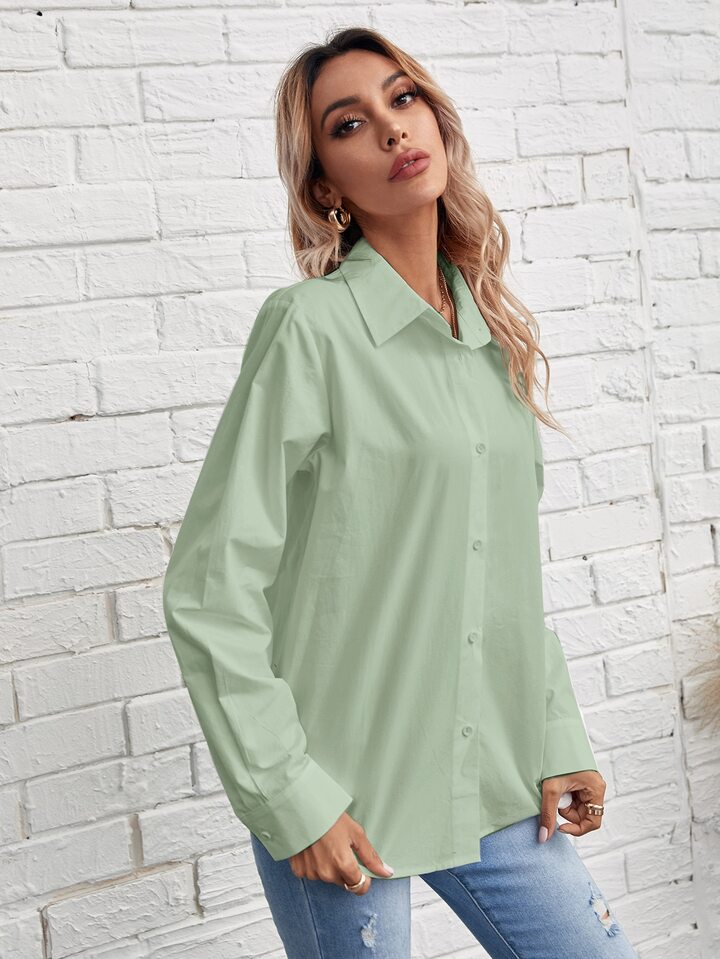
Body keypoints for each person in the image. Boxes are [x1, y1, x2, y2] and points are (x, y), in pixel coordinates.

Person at [162, 26, 640, 959]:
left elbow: (504, 579)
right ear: (325, 188)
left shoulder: (491, 341)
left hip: (491, 776)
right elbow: (209, 587)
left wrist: (553, 734)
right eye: (350, 123)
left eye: (403, 98)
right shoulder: (309, 330)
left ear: (436, 120)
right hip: (344, 798)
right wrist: (291, 797)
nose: (390, 128)